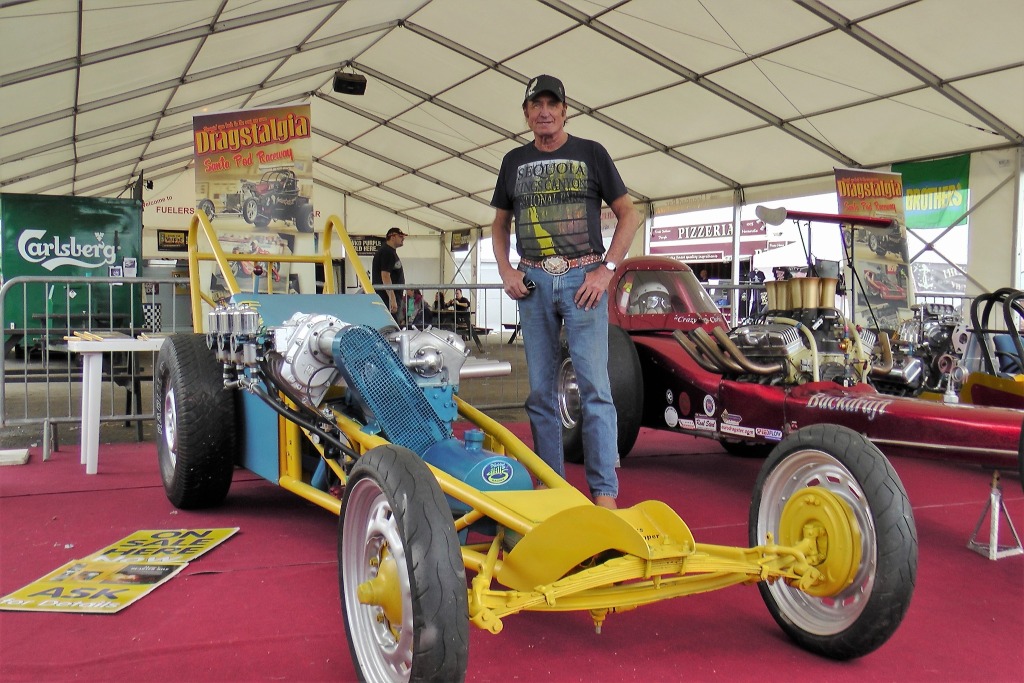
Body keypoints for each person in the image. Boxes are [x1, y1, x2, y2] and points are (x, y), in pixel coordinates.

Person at [490, 74, 640, 510]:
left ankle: (604, 495)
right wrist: (506, 270)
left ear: (564, 110)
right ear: (525, 113)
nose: (544, 112)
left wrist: (606, 270)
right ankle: (551, 489)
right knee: (540, 392)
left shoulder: (592, 153)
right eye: (536, 105)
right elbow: (499, 223)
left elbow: (629, 214)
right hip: (533, 282)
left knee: (595, 388)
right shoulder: (513, 161)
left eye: (551, 104)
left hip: (583, 280)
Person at [371, 227, 407, 319]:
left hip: (388, 297)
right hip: (386, 298)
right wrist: (392, 299)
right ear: (392, 237)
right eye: (400, 236)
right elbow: (385, 276)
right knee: (390, 324)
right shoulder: (387, 252)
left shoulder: (389, 251)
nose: (403, 238)